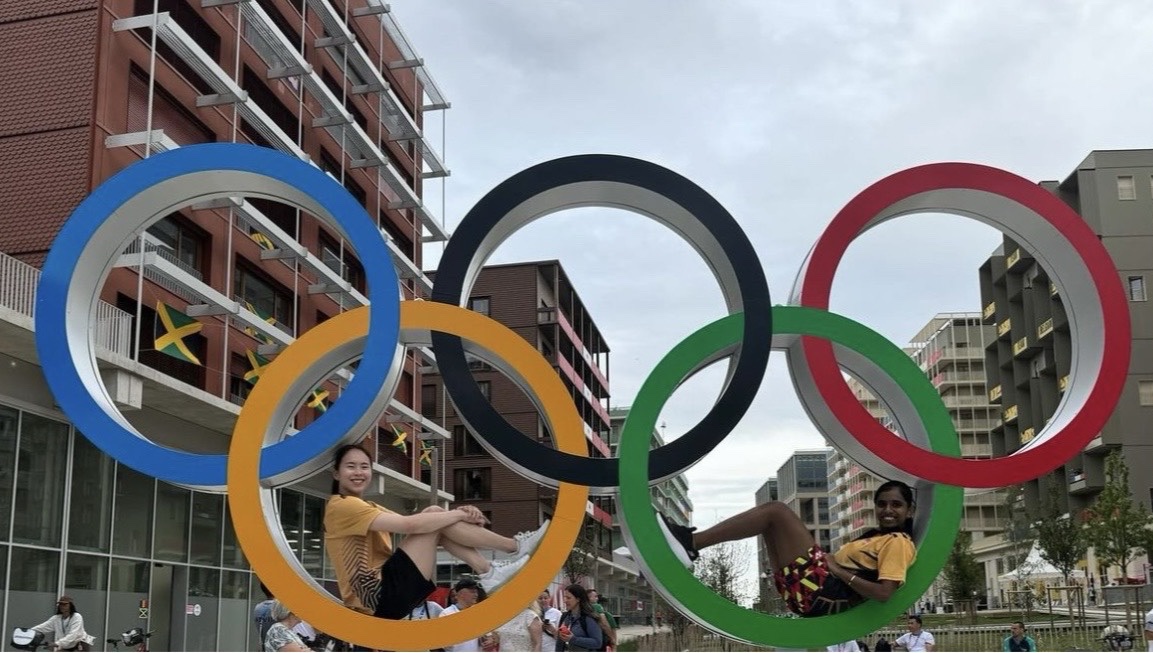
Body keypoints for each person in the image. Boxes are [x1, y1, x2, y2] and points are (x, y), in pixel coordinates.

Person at [324, 444, 549, 622]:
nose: (359, 472)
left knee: (435, 516)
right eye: (350, 466)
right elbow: (410, 525)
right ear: (336, 473)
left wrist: (457, 513)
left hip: (386, 593)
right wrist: (461, 515)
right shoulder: (342, 506)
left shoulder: (365, 506)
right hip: (378, 595)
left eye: (364, 466)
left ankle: (490, 571)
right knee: (435, 517)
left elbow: (426, 521)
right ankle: (513, 548)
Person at [659, 479, 918, 617]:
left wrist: (837, 570)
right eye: (882, 504)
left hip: (822, 593)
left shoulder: (897, 543)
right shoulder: (875, 538)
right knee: (770, 524)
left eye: (896, 505)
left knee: (776, 511)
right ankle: (680, 547)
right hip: (814, 593)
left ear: (909, 511)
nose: (887, 510)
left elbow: (885, 593)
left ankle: (691, 544)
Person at [28, 596, 96, 652]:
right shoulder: (56, 618)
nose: (62, 606)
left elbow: (73, 635)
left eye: (65, 604)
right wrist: (28, 632)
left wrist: (56, 643)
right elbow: (42, 627)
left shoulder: (77, 617)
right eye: (60, 604)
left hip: (79, 644)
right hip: (66, 645)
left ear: (70, 605)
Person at [440, 578, 488, 652]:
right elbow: (443, 642)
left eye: (476, 592)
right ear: (461, 594)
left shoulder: (479, 612)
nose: (476, 595)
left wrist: (489, 638)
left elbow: (488, 634)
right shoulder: (447, 614)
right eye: (472, 592)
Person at [555, 584, 603, 652]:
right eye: (564, 597)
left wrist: (573, 639)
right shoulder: (565, 616)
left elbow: (597, 643)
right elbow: (559, 643)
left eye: (568, 598)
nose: (565, 601)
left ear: (578, 599)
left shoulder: (588, 618)